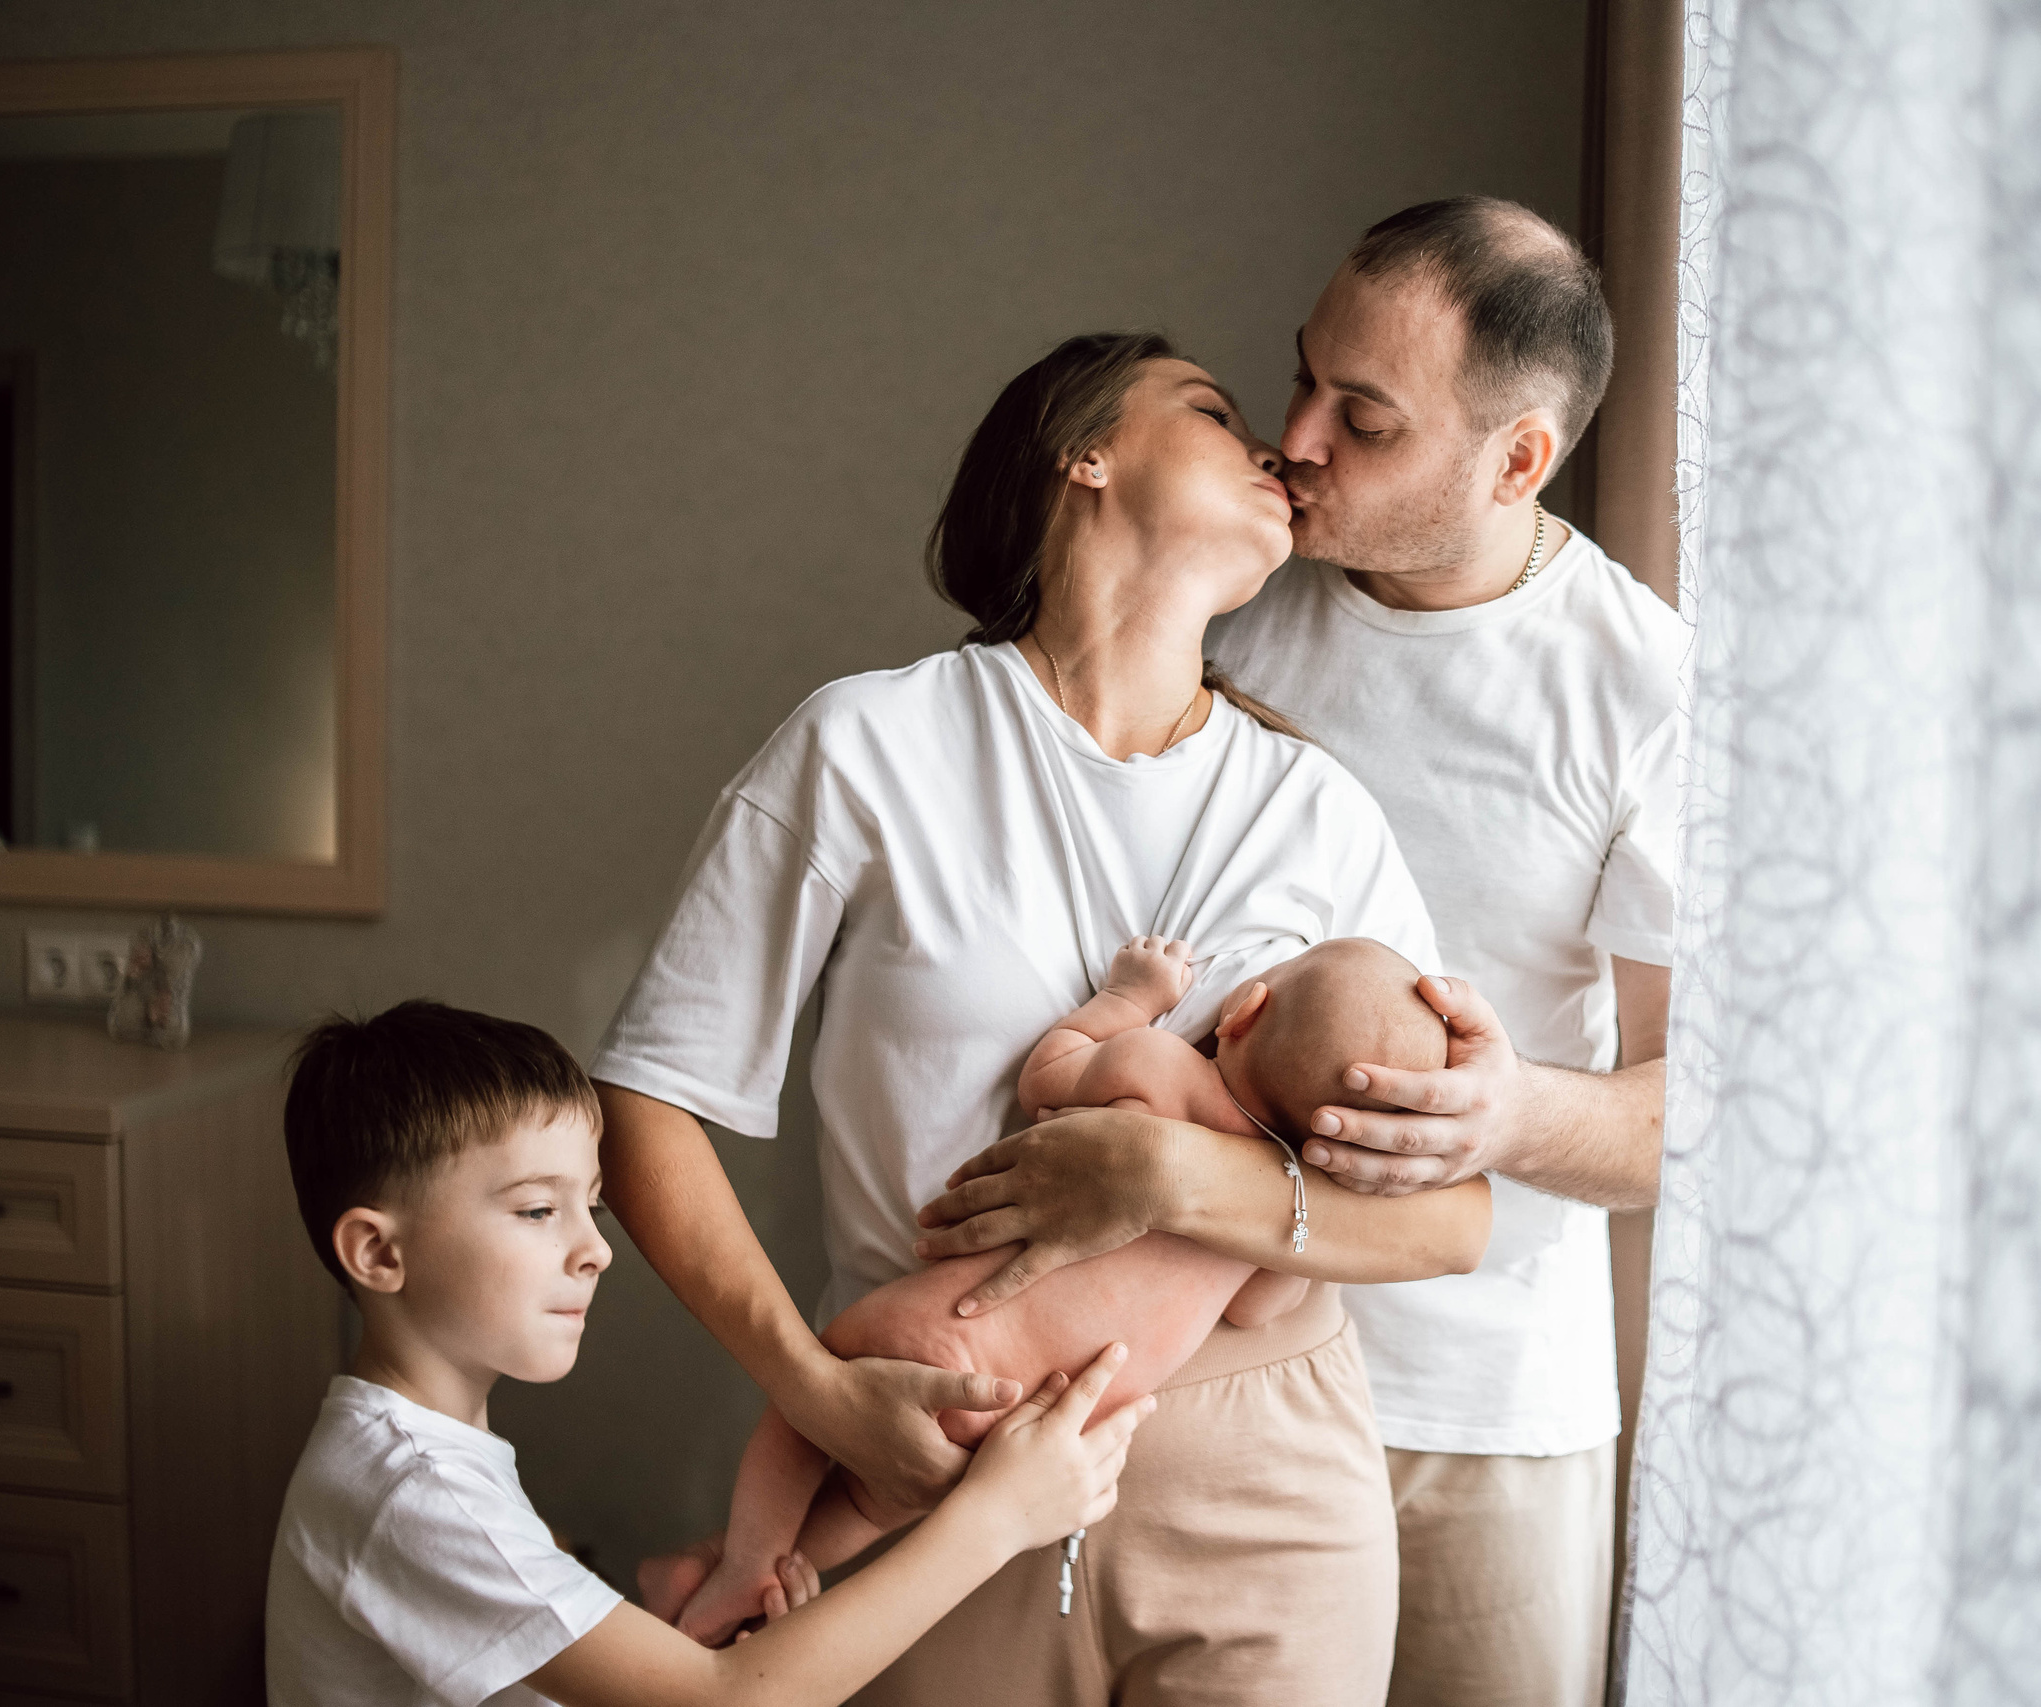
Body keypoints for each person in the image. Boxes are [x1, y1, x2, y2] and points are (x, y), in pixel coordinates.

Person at [592, 331, 1490, 1704]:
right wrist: (825, 1396)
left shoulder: (1319, 809)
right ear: (1086, 455)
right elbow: (649, 1096)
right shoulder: (867, 747)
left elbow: (1449, 1213)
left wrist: (1177, 1170)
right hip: (941, 1451)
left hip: (1271, 1475)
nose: (1273, 447)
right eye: (1213, 411)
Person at [914, 199, 1681, 1707]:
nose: (1297, 438)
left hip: (1476, 1414)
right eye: (1302, 379)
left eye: (1365, 418)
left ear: (1516, 459)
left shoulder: (1643, 691)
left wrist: (1511, 1112)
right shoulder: (1236, 602)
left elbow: (1708, 1106)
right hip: (1170, 1358)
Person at [265, 999, 1150, 1707]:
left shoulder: (415, 1456)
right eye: (540, 1210)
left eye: (594, 1208)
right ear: (379, 1253)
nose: (596, 1249)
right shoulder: (412, 1488)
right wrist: (999, 1516)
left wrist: (665, 1640)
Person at [660, 933, 1450, 1645]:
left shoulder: (1165, 1073)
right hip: (1037, 1419)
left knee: (812, 1404)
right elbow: (1256, 1310)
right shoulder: (1275, 1207)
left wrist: (1130, 1000)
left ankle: (743, 1562)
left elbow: (1049, 1079)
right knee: (878, 1502)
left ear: (1244, 1010)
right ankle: (772, 1581)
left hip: (947, 1335)